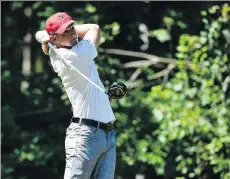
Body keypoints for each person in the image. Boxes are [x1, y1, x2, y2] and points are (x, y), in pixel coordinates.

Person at [37, 12, 117, 179]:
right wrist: (49, 40)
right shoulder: (76, 55)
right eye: (66, 31)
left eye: (72, 27)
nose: (73, 32)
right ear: (55, 38)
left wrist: (50, 39)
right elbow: (93, 27)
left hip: (107, 134)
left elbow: (49, 47)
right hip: (85, 136)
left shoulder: (58, 51)